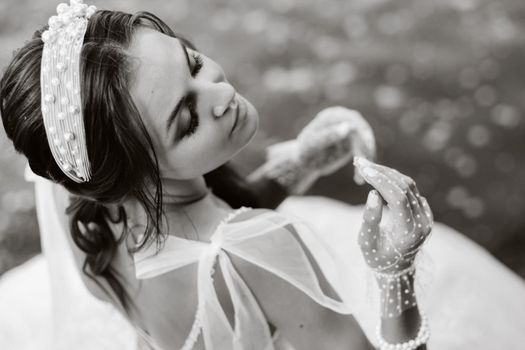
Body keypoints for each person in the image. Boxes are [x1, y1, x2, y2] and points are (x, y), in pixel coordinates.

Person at [1, 2, 525, 349]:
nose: (222, 95)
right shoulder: (257, 247)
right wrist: (395, 273)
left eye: (193, 62)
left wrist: (300, 164)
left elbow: (206, 231)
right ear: (132, 173)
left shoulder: (96, 221)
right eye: (187, 118)